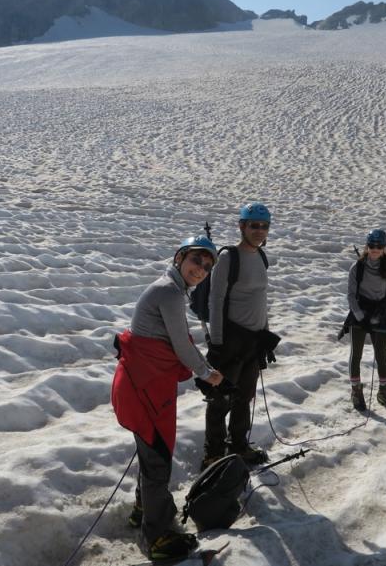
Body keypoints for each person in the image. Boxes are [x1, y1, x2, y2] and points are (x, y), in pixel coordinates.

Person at [111, 236, 224, 561]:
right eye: (196, 262)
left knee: (151, 456)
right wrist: (207, 373)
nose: (200, 270)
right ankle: (158, 538)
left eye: (207, 266)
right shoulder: (170, 293)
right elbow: (181, 347)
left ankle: (143, 510)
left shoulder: (169, 289)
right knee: (158, 460)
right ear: (180, 257)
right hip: (144, 390)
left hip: (142, 386)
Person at [203, 203, 279, 470]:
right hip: (231, 341)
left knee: (244, 396)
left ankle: (238, 445)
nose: (260, 231)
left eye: (264, 226)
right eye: (254, 225)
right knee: (220, 398)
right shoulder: (228, 258)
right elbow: (215, 300)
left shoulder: (261, 257)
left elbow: (261, 298)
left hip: (254, 340)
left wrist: (265, 333)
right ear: (242, 226)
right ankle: (212, 453)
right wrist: (218, 342)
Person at [343, 229, 386, 411]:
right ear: (367, 246)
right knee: (355, 355)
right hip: (360, 314)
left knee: (381, 356)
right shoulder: (356, 267)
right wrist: (360, 317)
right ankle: (356, 392)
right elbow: (351, 296)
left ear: (384, 248)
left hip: (380, 315)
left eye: (379, 246)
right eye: (372, 245)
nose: (375, 249)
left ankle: (383, 391)